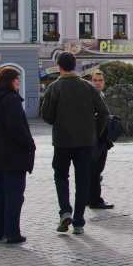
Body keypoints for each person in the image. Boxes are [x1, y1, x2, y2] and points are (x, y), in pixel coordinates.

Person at [40, 52, 108, 235]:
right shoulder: (88, 87)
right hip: (85, 142)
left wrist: (59, 120)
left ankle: (65, 211)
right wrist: (95, 133)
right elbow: (103, 113)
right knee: (83, 181)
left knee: (61, 176)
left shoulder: (54, 88)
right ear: (75, 65)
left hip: (62, 141)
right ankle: (78, 221)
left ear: (59, 66)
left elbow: (46, 115)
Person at [0, 66, 36, 244]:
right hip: (13, 157)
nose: (18, 82)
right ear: (9, 81)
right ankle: (12, 233)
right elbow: (17, 128)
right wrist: (29, 145)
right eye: (16, 79)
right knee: (14, 195)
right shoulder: (12, 100)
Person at [87, 70, 115, 210]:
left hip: (101, 139)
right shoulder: (90, 96)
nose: (98, 83)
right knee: (95, 170)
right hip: (95, 139)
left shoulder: (101, 95)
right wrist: (97, 134)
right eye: (95, 80)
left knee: (95, 170)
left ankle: (89, 198)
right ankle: (95, 200)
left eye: (100, 80)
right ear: (90, 81)